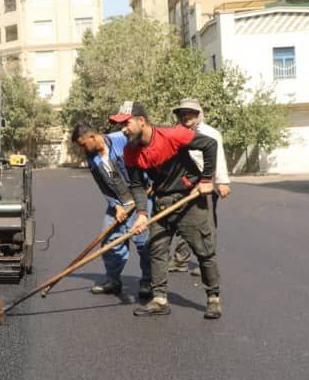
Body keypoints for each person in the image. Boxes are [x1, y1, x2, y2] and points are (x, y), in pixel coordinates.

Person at [110, 100, 223, 320]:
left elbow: (210, 145)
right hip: (162, 201)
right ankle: (160, 299)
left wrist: (207, 179)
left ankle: (213, 298)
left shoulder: (173, 135)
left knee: (203, 249)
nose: (122, 129)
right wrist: (142, 213)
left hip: (188, 199)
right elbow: (136, 185)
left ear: (141, 121)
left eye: (126, 124)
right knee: (157, 249)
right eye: (120, 125)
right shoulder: (130, 150)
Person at [71, 123, 153, 300]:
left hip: (141, 198)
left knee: (143, 242)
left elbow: (146, 157)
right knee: (110, 242)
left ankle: (148, 281)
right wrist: (116, 206)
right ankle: (113, 281)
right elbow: (102, 185)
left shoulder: (122, 140)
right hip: (118, 202)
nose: (82, 149)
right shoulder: (92, 158)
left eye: (83, 144)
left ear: (93, 137)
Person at [168, 98, 230, 274]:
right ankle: (180, 260)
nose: (186, 116)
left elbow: (219, 158)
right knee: (183, 223)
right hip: (183, 185)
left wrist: (222, 181)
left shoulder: (211, 133)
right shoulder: (176, 133)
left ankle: (207, 263)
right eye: (182, 113)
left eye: (190, 113)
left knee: (206, 225)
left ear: (198, 114)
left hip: (205, 184)